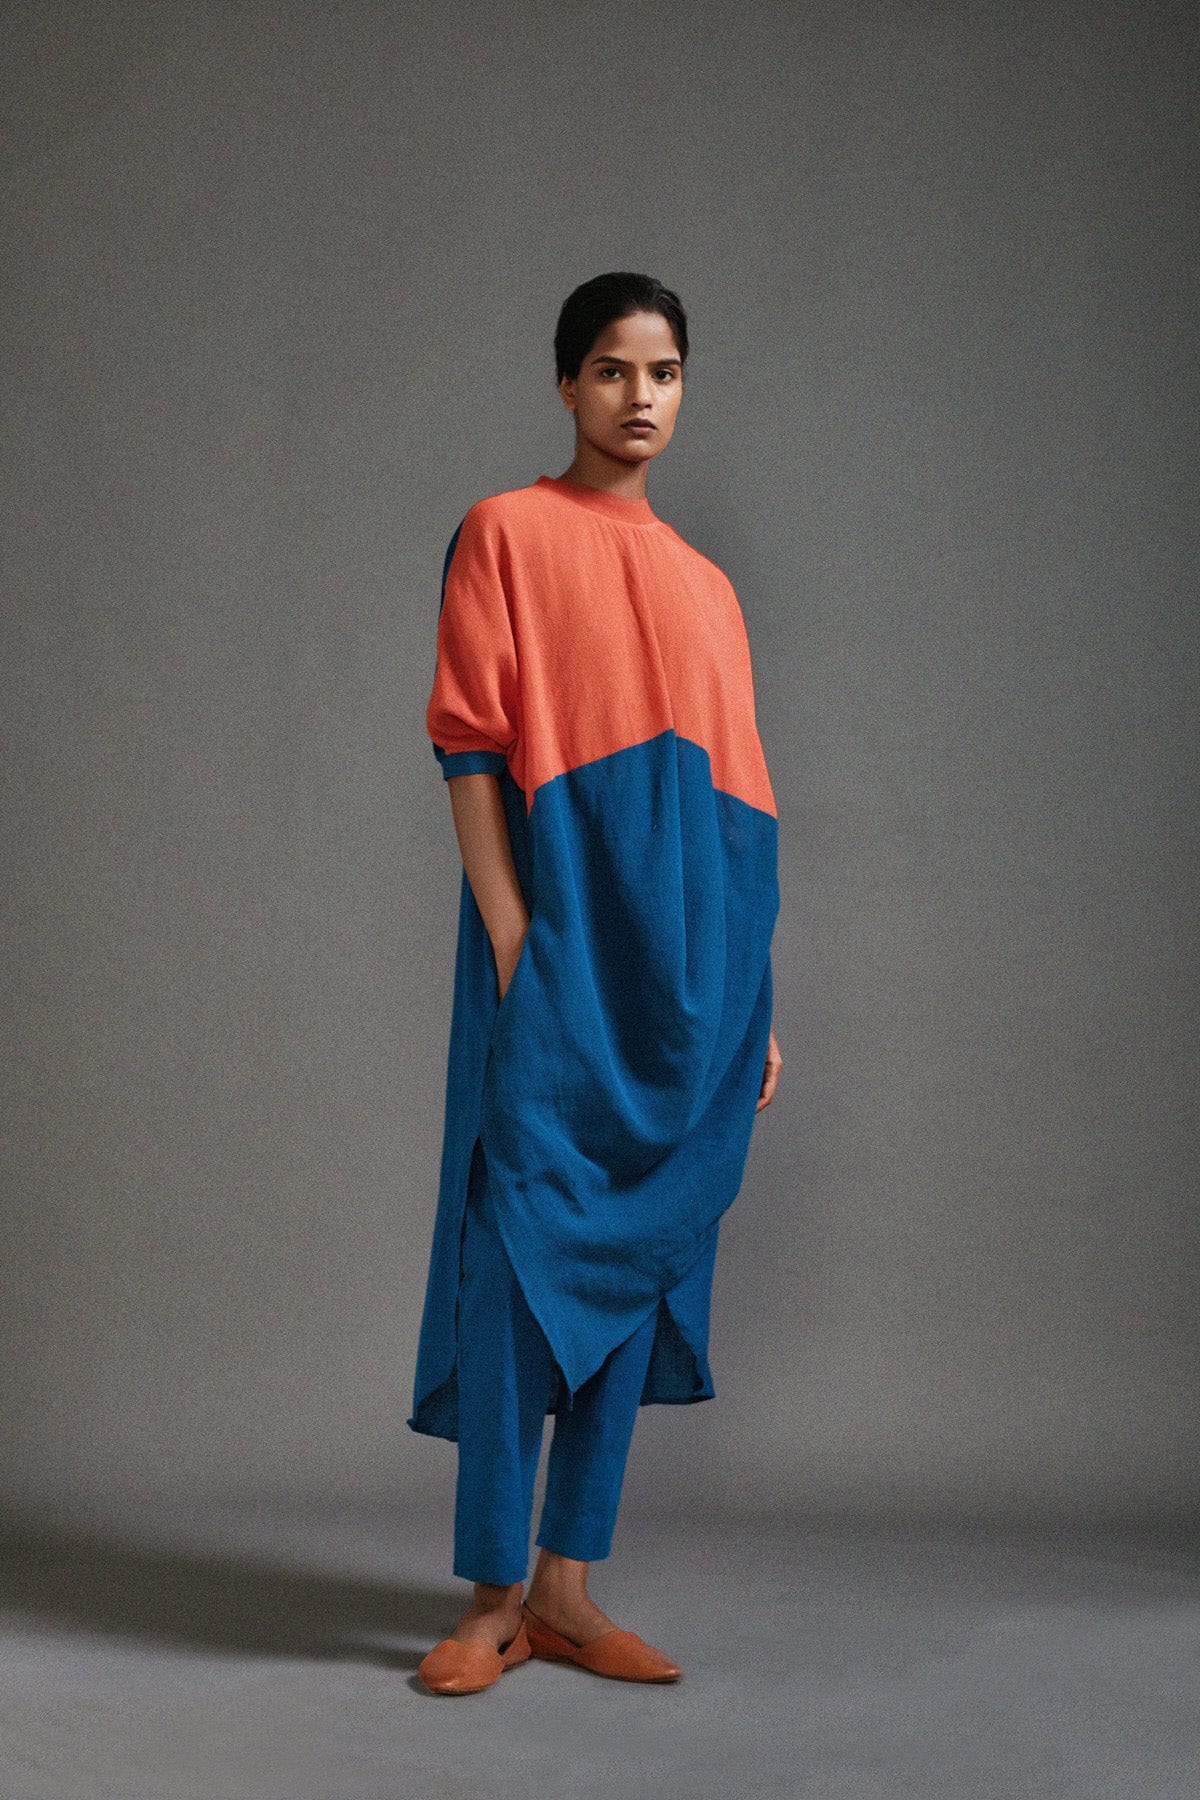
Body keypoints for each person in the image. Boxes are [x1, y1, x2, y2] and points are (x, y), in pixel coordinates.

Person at [409, 272, 782, 1696]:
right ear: (567, 383)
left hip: (688, 981)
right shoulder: (504, 531)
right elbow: (470, 745)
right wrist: (513, 934)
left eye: (665, 372)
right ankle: (493, 1598)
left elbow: (743, 808)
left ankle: (568, 1590)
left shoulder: (709, 588)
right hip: (559, 948)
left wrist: (753, 1004)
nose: (640, 397)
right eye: (614, 369)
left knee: (640, 1247)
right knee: (517, 1248)